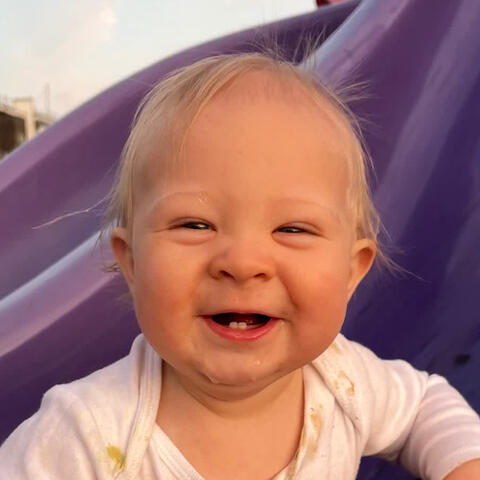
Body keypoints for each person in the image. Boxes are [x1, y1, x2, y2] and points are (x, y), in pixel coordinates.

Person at [1, 51, 480, 480]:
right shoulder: (81, 436)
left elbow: (423, 405)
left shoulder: (341, 380)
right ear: (132, 262)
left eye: (292, 229)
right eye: (195, 224)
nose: (243, 263)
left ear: (351, 272)